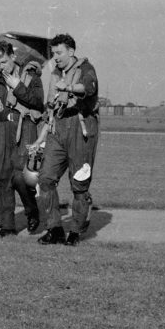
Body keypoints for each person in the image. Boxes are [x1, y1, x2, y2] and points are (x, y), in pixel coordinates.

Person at [33, 34, 99, 247]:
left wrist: (68, 88)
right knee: (45, 178)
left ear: (71, 51)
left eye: (59, 53)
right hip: (57, 128)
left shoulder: (86, 69)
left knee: (79, 184)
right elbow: (50, 107)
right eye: (53, 54)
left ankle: (76, 231)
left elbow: (88, 88)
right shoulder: (55, 73)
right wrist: (41, 137)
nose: (55, 58)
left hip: (80, 128)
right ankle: (55, 229)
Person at [0, 41, 44, 237]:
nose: (1, 67)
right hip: (2, 129)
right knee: (2, 178)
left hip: (25, 127)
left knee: (22, 177)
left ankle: (32, 211)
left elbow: (38, 102)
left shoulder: (30, 76)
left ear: (12, 56)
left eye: (3, 62)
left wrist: (17, 86)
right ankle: (6, 226)